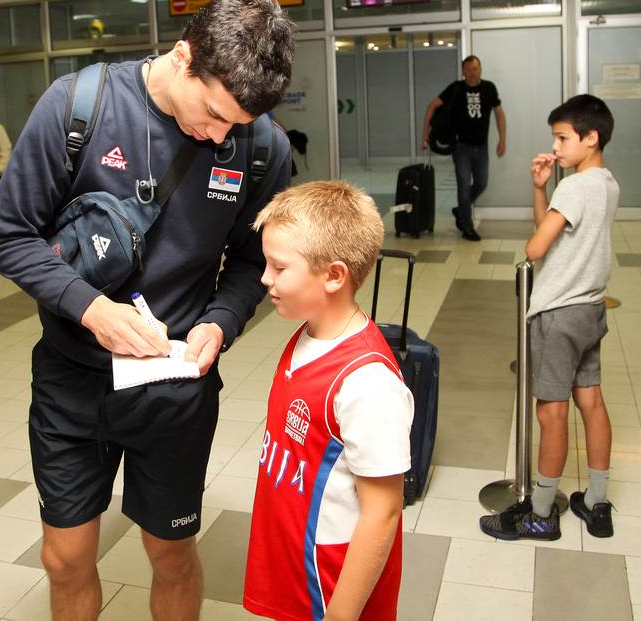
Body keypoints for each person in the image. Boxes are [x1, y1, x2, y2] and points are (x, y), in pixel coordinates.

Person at [0, 0, 294, 621]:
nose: (219, 135)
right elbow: (7, 233)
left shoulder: (262, 149)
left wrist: (221, 321)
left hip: (174, 388)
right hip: (73, 380)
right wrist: (90, 308)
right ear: (183, 57)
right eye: (211, 113)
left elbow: (256, 259)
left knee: (171, 554)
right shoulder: (78, 108)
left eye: (236, 124)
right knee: (64, 559)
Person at [244, 181, 412, 621]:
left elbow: (383, 511)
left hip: (331, 584)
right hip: (295, 565)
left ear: (334, 275)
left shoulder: (367, 383)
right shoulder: (307, 334)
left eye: (279, 268)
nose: (265, 278)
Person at [480, 94, 619, 541]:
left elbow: (536, 248)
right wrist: (540, 188)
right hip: (591, 308)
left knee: (551, 413)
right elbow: (556, 237)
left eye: (562, 138)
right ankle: (597, 503)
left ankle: (540, 512)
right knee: (591, 403)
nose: (555, 148)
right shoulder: (606, 183)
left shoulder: (575, 187)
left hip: (558, 313)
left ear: (590, 137)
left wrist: (553, 190)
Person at [421, 55, 507, 241]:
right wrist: (425, 134)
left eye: (475, 68)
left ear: (480, 69)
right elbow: (432, 106)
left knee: (482, 183)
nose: (472, 72)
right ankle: (467, 226)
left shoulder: (489, 88)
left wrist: (502, 139)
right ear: (463, 71)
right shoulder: (456, 88)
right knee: (463, 187)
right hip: (461, 147)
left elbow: (499, 114)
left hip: (481, 147)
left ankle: (461, 209)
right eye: (468, 69)